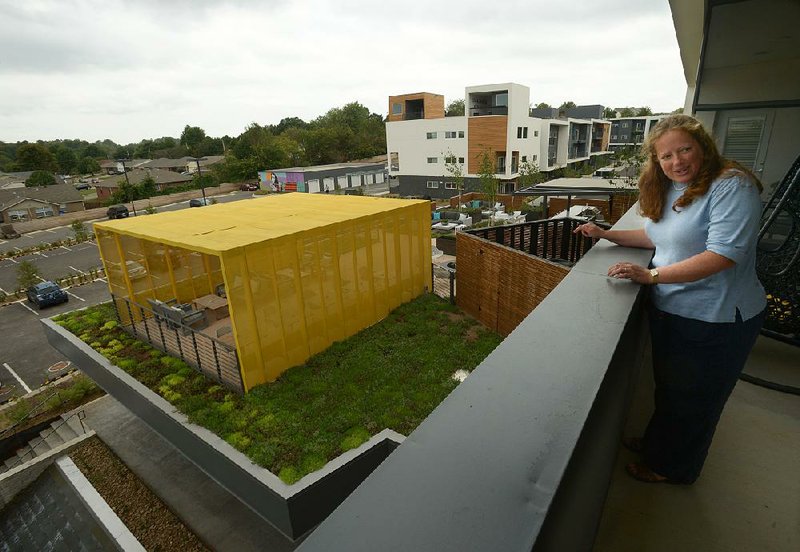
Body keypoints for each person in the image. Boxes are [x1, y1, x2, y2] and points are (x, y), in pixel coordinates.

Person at [574, 114, 766, 484]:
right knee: (673, 390)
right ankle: (657, 443)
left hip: (716, 318)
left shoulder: (731, 186)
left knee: (695, 400)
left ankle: (671, 468)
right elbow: (657, 237)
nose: (676, 161)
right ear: (656, 162)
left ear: (702, 148)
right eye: (666, 156)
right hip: (673, 310)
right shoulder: (677, 187)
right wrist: (606, 234)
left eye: (684, 150)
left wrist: (651, 276)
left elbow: (722, 255)